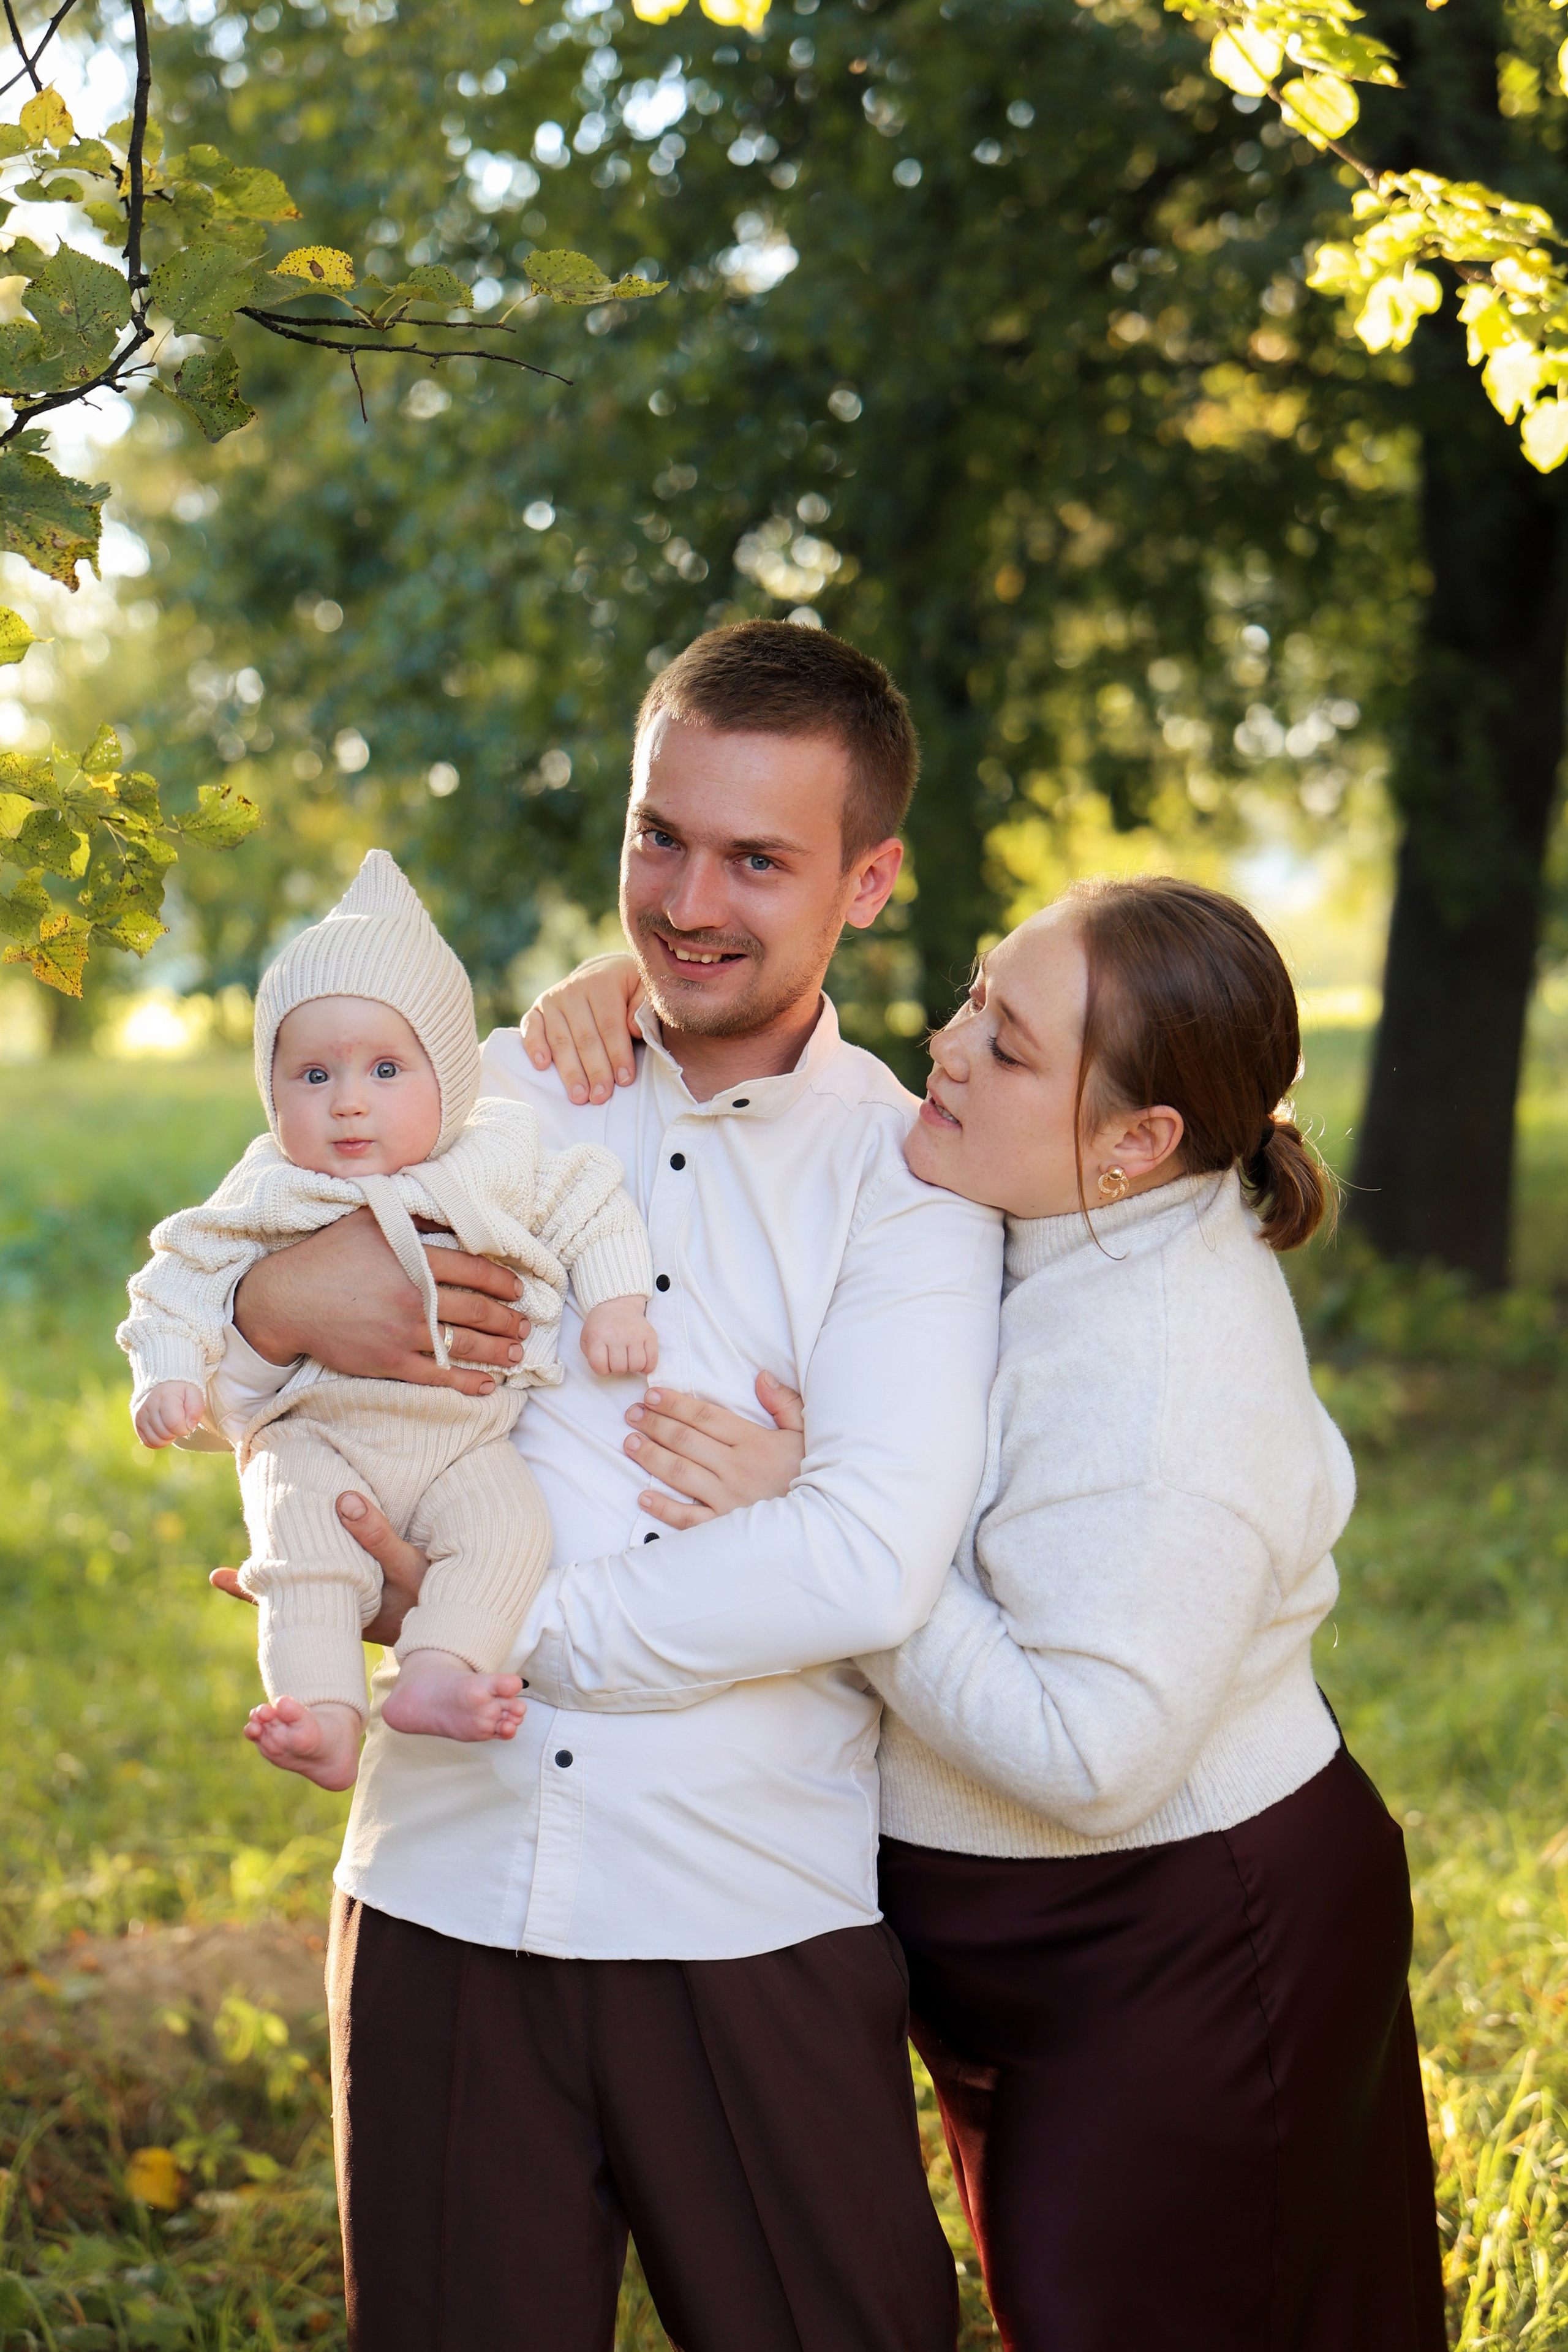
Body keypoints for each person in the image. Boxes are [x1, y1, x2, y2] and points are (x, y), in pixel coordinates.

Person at [203, 622, 1003, 2351]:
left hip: (743, 1907)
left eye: (758, 859)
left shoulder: (913, 1179)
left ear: (867, 883)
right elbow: (232, 1348)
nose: (689, 898)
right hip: (439, 1882)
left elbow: (859, 1565)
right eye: (661, 836)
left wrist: (481, 1624)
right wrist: (275, 1308)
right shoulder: (480, 1102)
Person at [532, 874, 1447, 2352]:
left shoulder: (1168, 1384)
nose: (950, 1049)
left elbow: (1091, 1756)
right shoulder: (1052, 1201)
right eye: (973, 995)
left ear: (1136, 1141)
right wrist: (620, 995)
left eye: (1007, 1046)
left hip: (1179, 1945)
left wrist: (824, 1529)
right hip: (1045, 1951)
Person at [121, 848, 655, 1792]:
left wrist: (616, 1295)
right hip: (318, 1435)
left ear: (449, 1080)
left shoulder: (496, 1150)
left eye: (384, 1068)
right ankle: (323, 1713)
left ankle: (439, 1673)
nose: (350, 1101)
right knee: (301, 1551)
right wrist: (167, 1373)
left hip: (465, 1443)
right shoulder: (271, 1186)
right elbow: (181, 1276)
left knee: (509, 1534)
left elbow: (589, 1199)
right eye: (313, 1076)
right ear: (270, 1090)